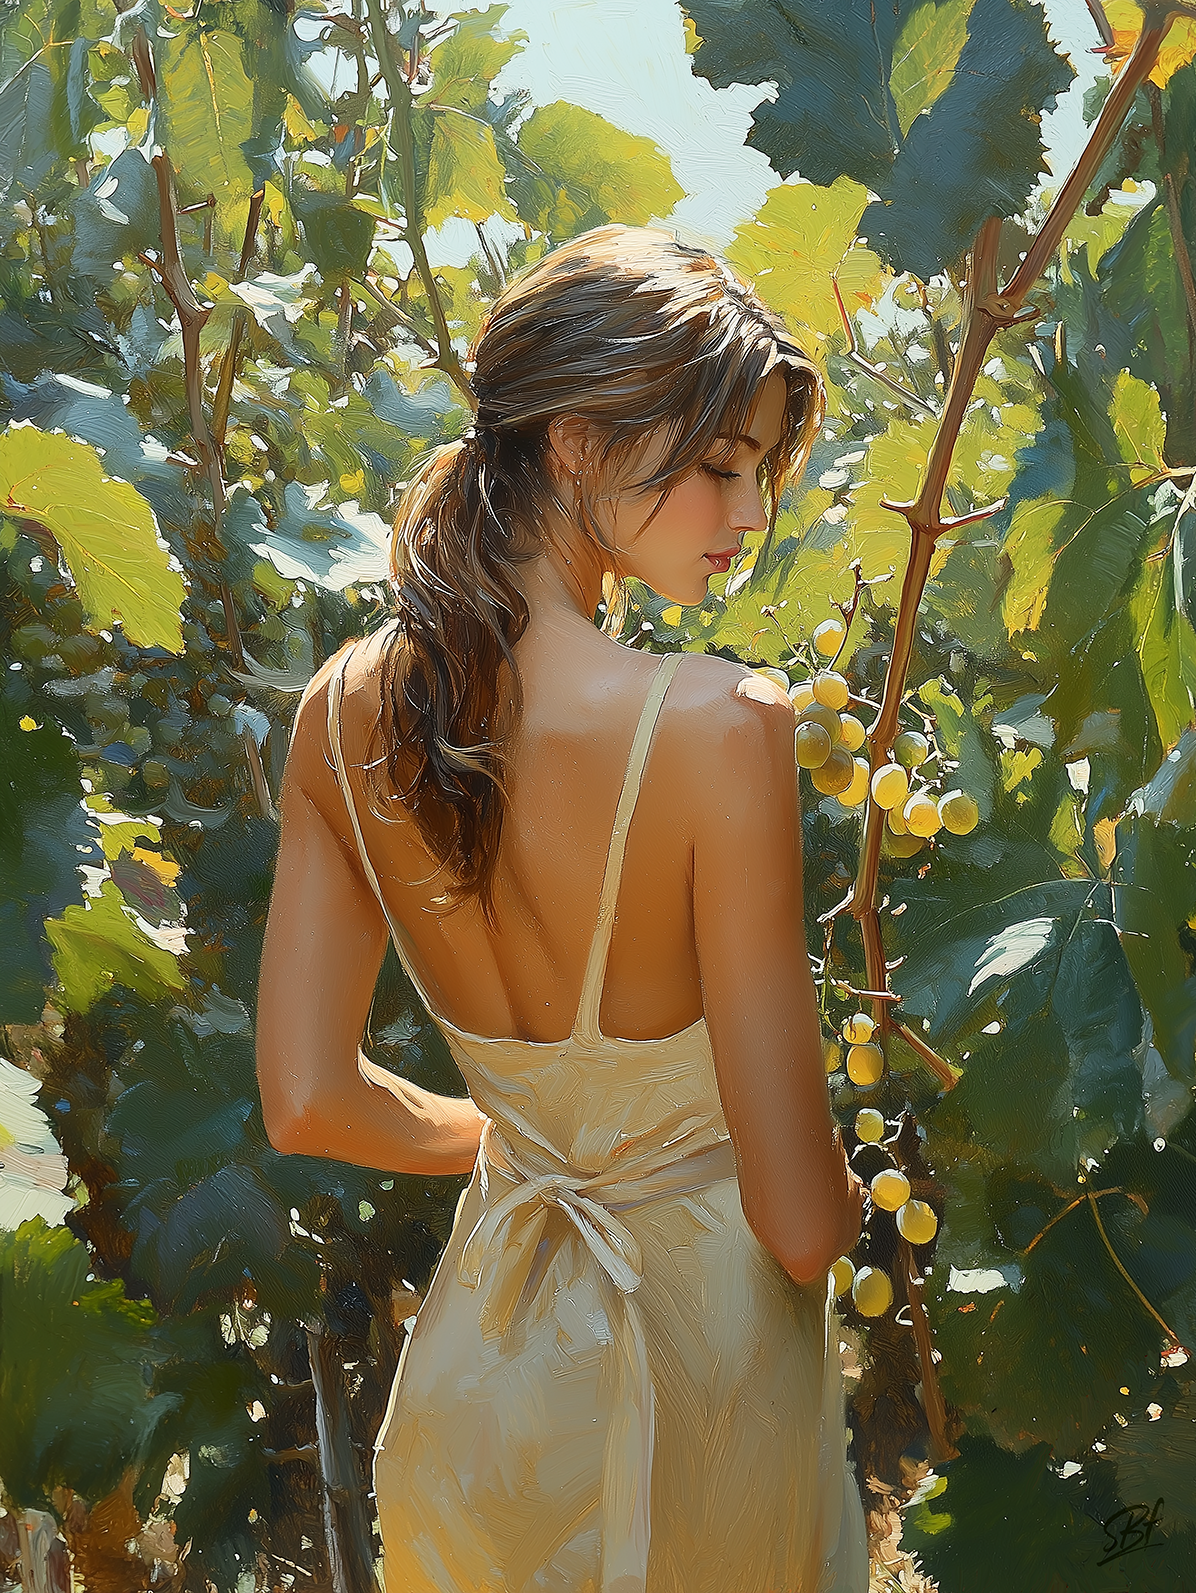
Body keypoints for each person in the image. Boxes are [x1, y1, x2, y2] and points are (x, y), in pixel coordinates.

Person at [256, 224, 869, 1593]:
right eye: (722, 467)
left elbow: (305, 1101)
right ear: (581, 444)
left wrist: (543, 1144)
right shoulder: (720, 727)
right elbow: (800, 1221)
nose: (751, 516)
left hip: (486, 1377)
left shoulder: (335, 718)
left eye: (761, 472)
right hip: (702, 1407)